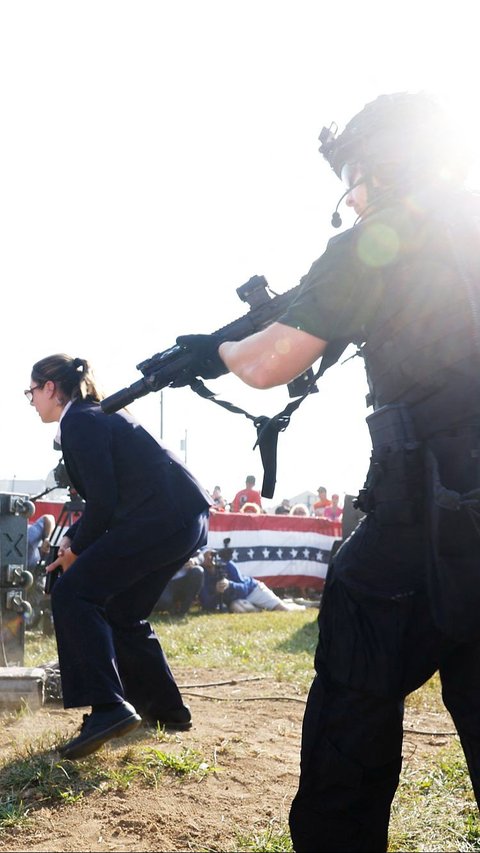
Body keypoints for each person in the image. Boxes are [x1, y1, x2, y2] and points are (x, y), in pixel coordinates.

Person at [175, 92, 480, 851]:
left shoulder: (379, 242)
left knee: (355, 672)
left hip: (434, 508)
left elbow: (268, 362)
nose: (356, 197)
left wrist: (209, 353)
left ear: (389, 163)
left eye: (356, 176)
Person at [25, 354, 211, 761]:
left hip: (161, 517)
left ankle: (109, 708)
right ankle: (166, 711)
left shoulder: (77, 421)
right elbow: (107, 496)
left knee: (72, 594)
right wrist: (76, 538)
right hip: (182, 517)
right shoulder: (95, 414)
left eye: (32, 392)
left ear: (50, 388)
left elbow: (105, 501)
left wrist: (75, 549)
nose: (33, 400)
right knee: (122, 611)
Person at [199, 547, 305, 612]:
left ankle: (301, 606)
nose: (209, 558)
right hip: (237, 600)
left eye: (211, 554)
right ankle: (259, 607)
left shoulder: (227, 564)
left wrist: (229, 584)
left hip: (253, 590)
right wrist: (217, 592)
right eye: (205, 556)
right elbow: (206, 603)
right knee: (237, 608)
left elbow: (244, 587)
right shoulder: (202, 574)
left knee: (283, 610)